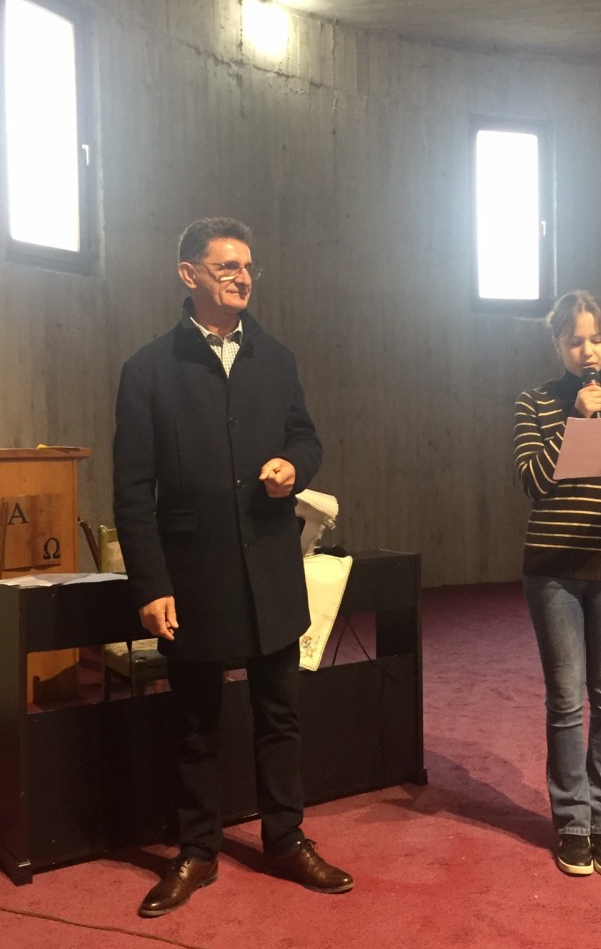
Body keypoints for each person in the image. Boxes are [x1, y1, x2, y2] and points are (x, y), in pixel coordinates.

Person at [113, 216, 353, 917]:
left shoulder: (276, 358)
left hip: (271, 566)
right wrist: (151, 584)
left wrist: (295, 466)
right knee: (195, 722)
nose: (243, 278)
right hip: (193, 576)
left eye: (248, 267)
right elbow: (132, 491)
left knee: (280, 715)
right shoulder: (147, 369)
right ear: (188, 274)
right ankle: (197, 850)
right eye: (228, 267)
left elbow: (307, 438)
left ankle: (286, 838)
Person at [513, 290, 601, 878]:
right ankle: (574, 822)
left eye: (596, 338)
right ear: (557, 344)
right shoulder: (536, 402)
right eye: (574, 340)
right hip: (552, 568)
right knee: (566, 699)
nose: (587, 350)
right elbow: (532, 481)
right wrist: (576, 419)